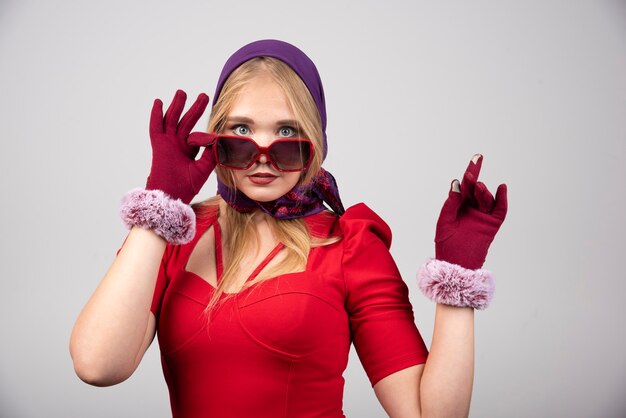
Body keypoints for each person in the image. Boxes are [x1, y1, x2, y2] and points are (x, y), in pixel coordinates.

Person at [70, 39, 507, 418]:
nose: (263, 156)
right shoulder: (175, 237)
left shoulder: (351, 245)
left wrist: (457, 277)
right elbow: (97, 365)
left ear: (316, 143)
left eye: (287, 133)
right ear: (215, 136)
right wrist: (159, 207)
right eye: (242, 131)